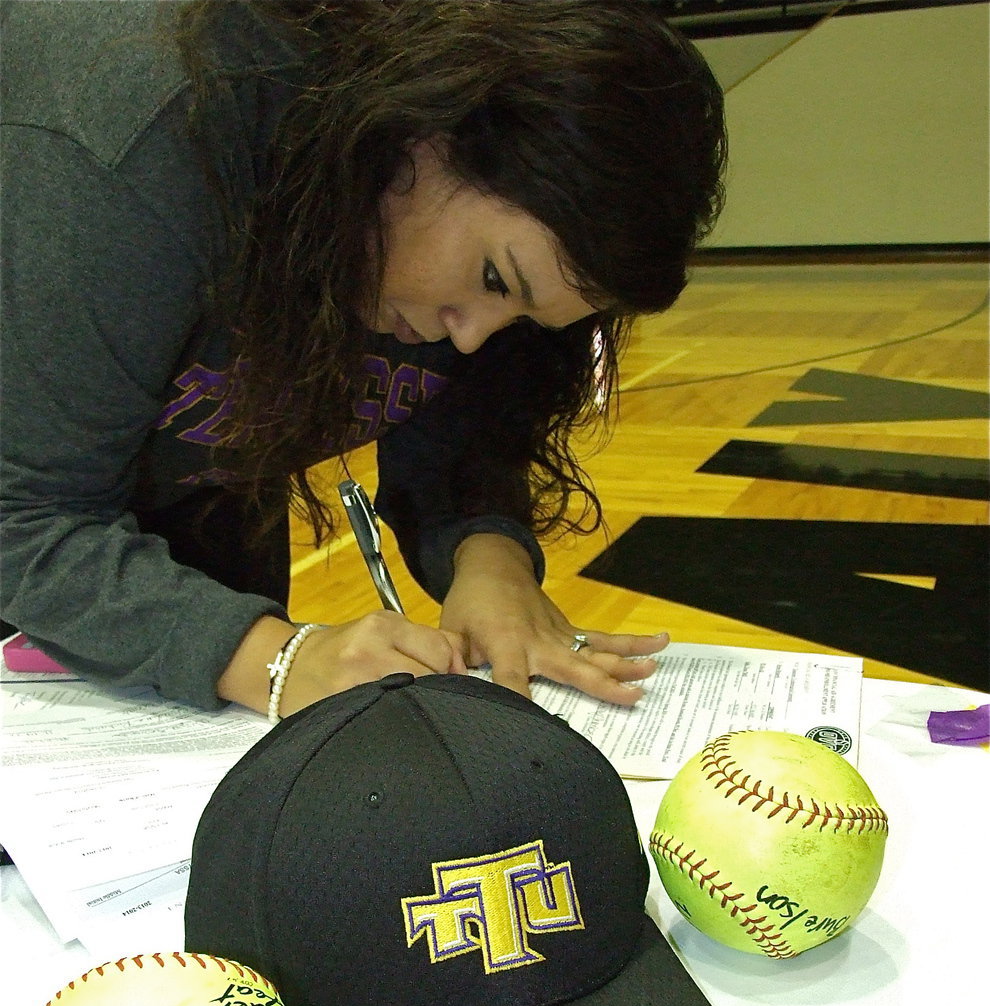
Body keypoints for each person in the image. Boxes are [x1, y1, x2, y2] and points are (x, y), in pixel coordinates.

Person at [1, 0, 726, 722]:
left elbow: (461, 422)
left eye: (524, 320)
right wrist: (277, 661)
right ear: (422, 134)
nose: (471, 336)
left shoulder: (412, 234)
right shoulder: (144, 136)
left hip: (184, 508)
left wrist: (489, 558)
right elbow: (21, 509)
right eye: (496, 279)